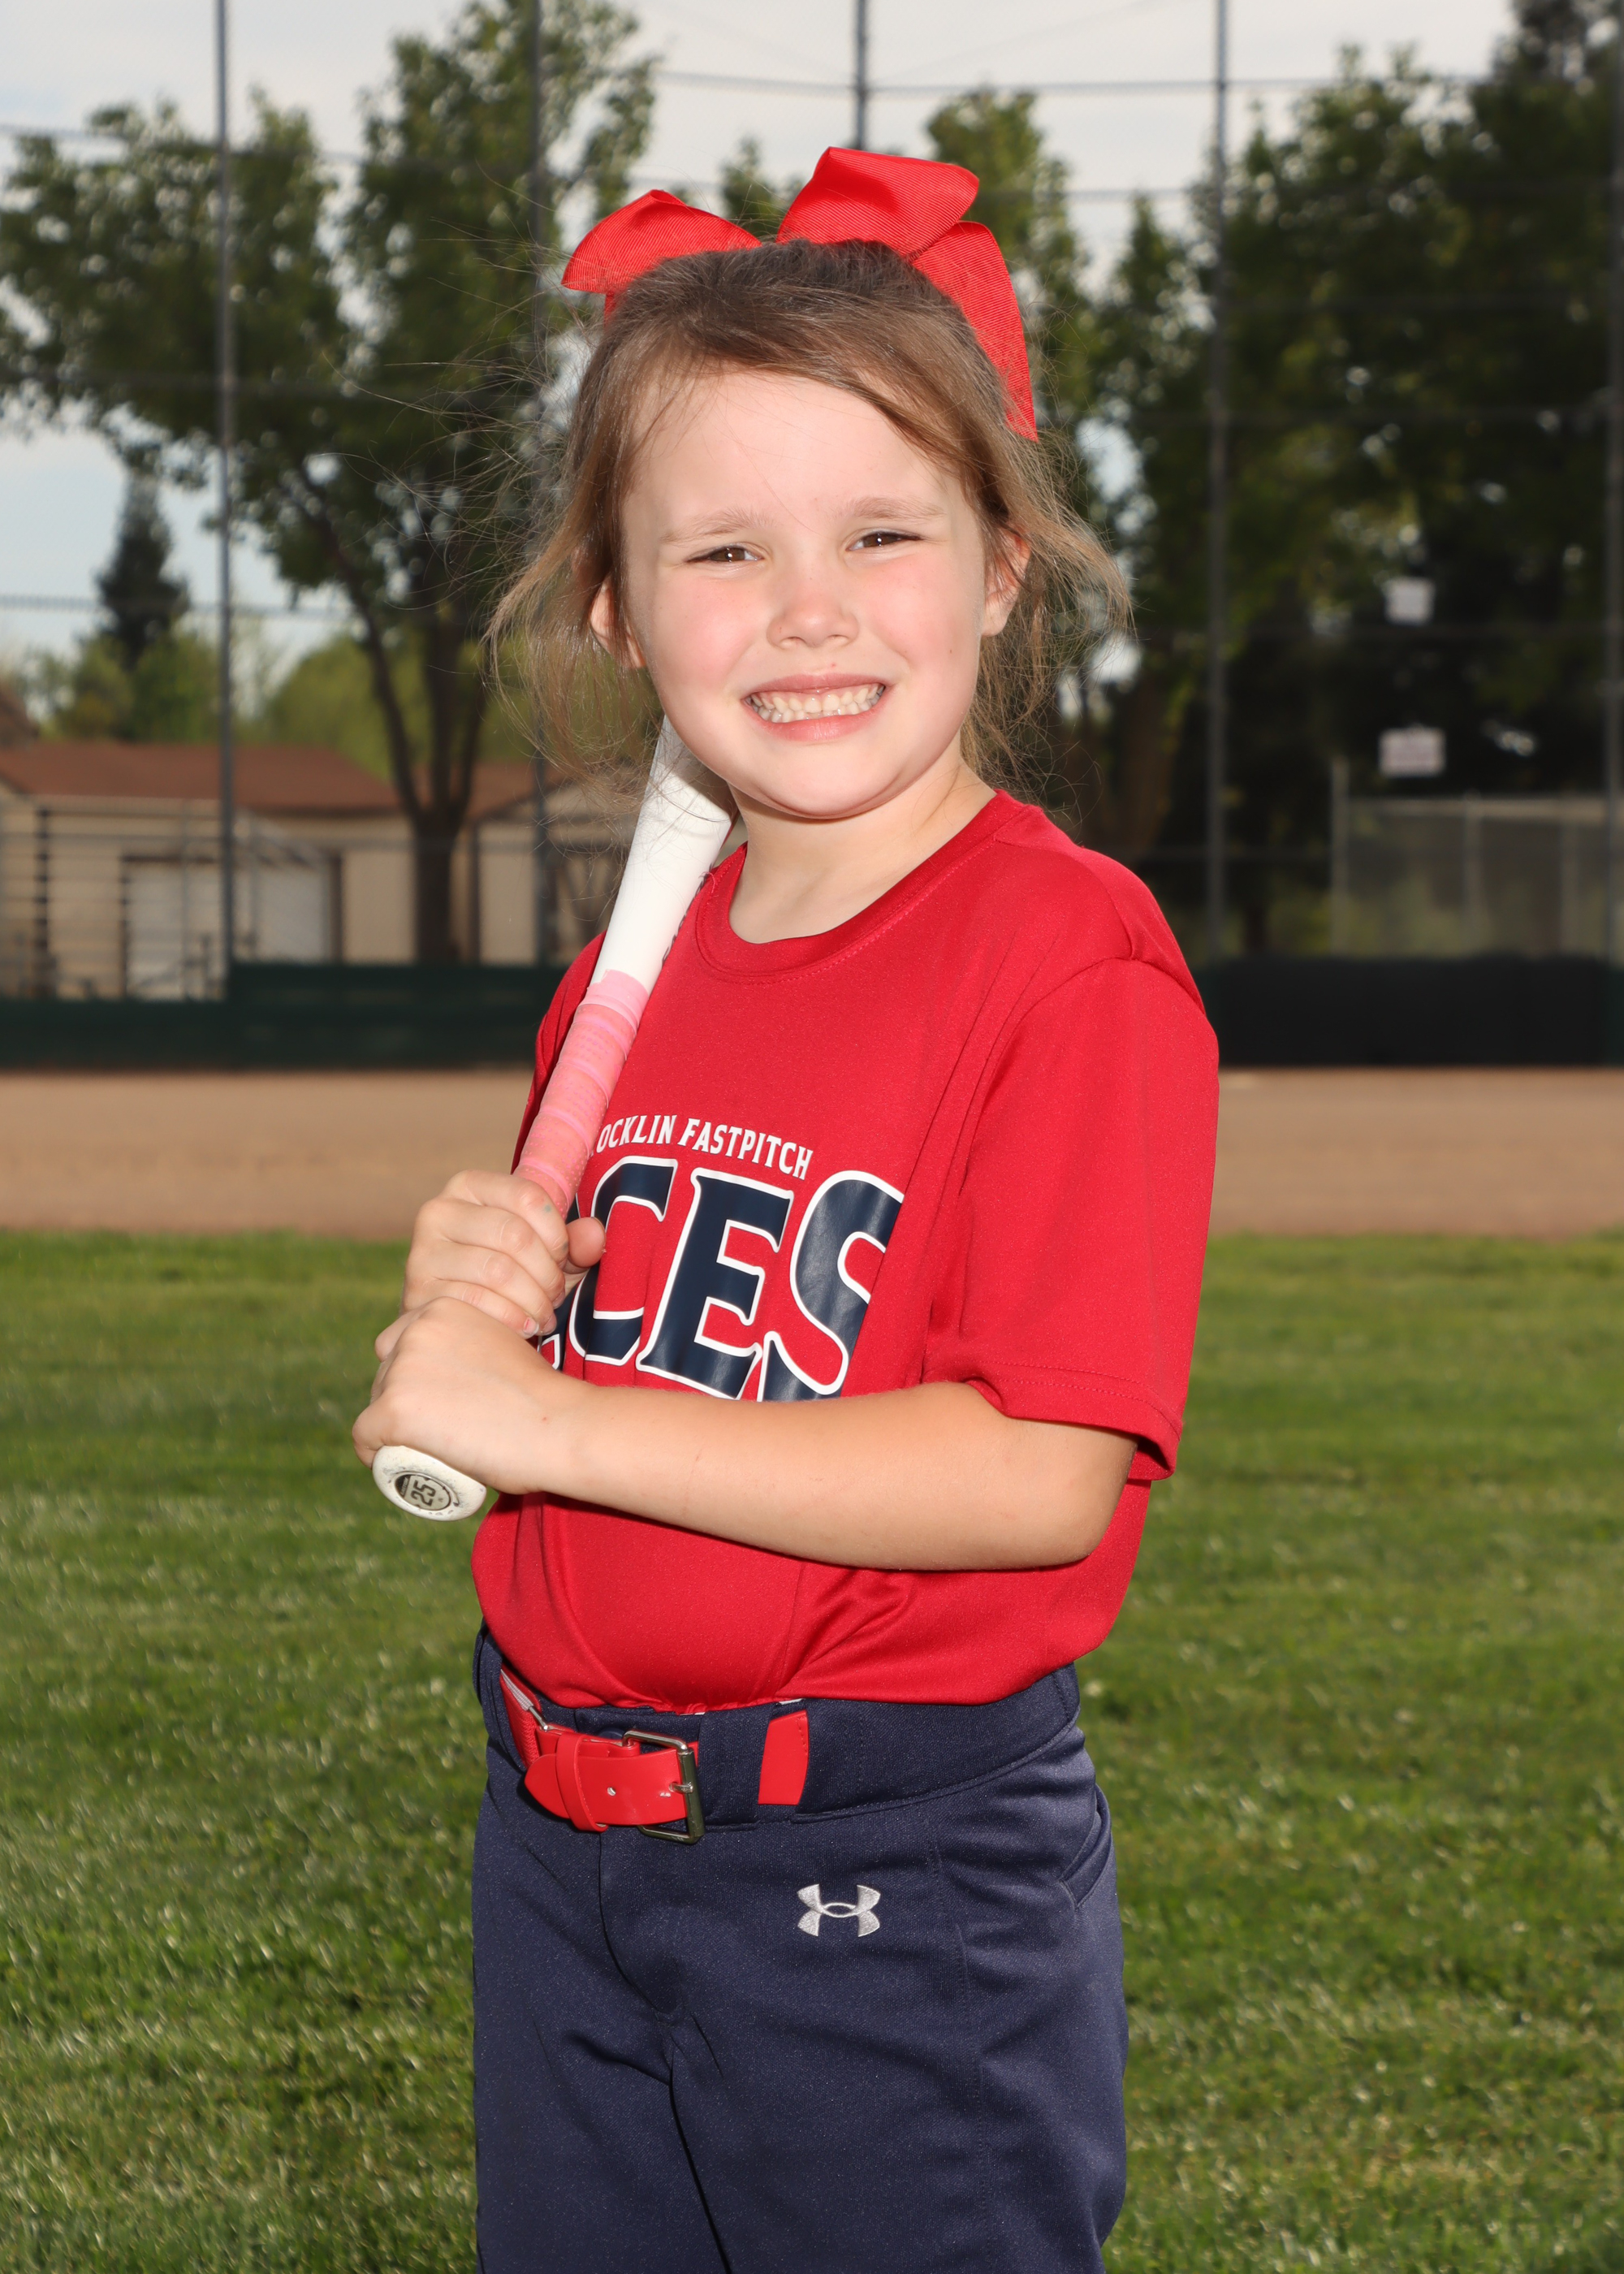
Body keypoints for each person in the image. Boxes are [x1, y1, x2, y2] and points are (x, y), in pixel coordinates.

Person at [353, 146, 1218, 2274]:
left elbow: (1035, 1470)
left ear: (1002, 565)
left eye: (881, 532)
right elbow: (647, 1378)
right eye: (724, 548)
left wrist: (549, 1425)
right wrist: (497, 1315)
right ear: (616, 608)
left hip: (889, 1883)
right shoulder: (622, 983)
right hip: (562, 1846)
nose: (809, 607)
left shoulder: (1069, 964)